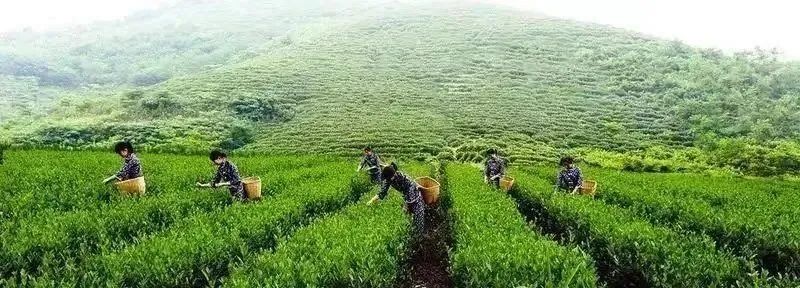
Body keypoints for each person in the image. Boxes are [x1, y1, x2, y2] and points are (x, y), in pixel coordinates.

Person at [367, 163, 425, 235]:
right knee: (407, 216)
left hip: (415, 197)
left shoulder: (404, 178)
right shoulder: (389, 179)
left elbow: (410, 191)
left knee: (418, 216)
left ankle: (420, 236)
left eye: (392, 176)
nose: (391, 179)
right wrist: (371, 200)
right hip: (406, 197)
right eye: (389, 178)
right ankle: (411, 232)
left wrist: (406, 205)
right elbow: (382, 192)